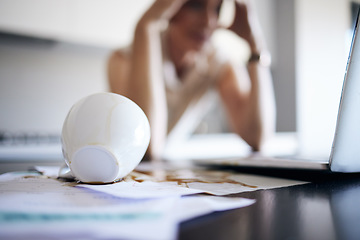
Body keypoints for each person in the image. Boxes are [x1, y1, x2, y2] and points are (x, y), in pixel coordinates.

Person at [108, 0, 276, 159]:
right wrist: (146, 25)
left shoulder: (217, 62)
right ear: (171, 7)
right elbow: (147, 148)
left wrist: (256, 46)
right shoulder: (123, 59)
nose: (208, 22)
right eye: (196, 5)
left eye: (216, 9)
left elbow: (257, 138)